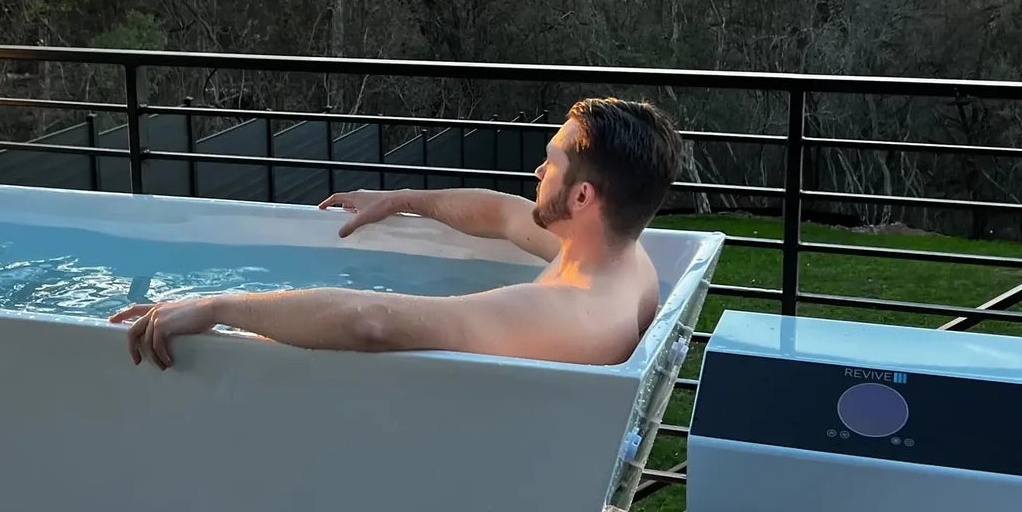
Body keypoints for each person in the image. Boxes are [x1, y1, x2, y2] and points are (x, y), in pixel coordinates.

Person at [109, 96, 684, 370]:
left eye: (552, 162)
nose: (537, 172)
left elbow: (372, 322)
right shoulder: (619, 259)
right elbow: (503, 213)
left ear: (582, 196)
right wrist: (402, 199)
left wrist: (219, 307)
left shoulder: (569, 312)